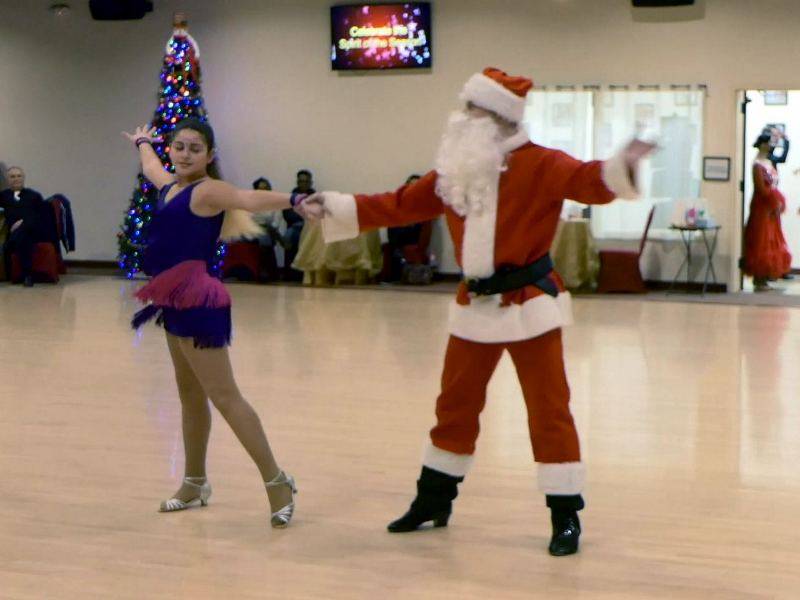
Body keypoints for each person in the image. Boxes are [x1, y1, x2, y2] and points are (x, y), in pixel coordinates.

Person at [299, 67, 654, 556]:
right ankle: (433, 501)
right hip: (475, 307)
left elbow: (592, 181)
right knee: (454, 407)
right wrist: (334, 206)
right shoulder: (455, 171)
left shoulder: (543, 163)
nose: (462, 118)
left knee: (549, 409)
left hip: (531, 304)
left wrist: (623, 164)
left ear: (499, 118)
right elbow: (399, 204)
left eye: (473, 110)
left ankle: (565, 515)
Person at [122, 118, 303, 527]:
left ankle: (278, 481)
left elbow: (249, 199)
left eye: (194, 148)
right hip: (172, 300)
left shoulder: (208, 191)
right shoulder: (169, 186)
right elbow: (151, 167)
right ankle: (195, 482)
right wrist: (144, 142)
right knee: (189, 396)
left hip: (199, 301)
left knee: (225, 396)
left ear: (210, 155)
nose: (184, 154)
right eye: (179, 146)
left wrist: (295, 198)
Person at [743, 132, 791, 291]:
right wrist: (773, 202)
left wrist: (785, 139)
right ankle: (759, 277)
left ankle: (765, 276)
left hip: (771, 207)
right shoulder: (757, 164)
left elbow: (782, 157)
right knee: (760, 240)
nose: (772, 145)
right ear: (763, 144)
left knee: (771, 239)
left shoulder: (768, 162)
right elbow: (762, 189)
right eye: (769, 142)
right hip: (762, 207)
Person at [0, 166, 46, 287]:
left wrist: (23, 222)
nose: (16, 179)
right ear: (8, 179)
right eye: (12, 176)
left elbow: (42, 216)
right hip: (15, 233)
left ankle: (10, 244)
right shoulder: (3, 196)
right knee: (23, 237)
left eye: (19, 176)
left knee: (24, 231)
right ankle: (27, 276)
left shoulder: (34, 196)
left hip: (33, 231)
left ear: (23, 178)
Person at [282, 169, 315, 280]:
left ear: (310, 183)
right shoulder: (291, 197)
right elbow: (288, 215)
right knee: (290, 235)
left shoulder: (315, 197)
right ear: (297, 182)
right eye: (301, 181)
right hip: (295, 226)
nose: (303, 184)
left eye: (306, 181)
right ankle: (290, 274)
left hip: (310, 228)